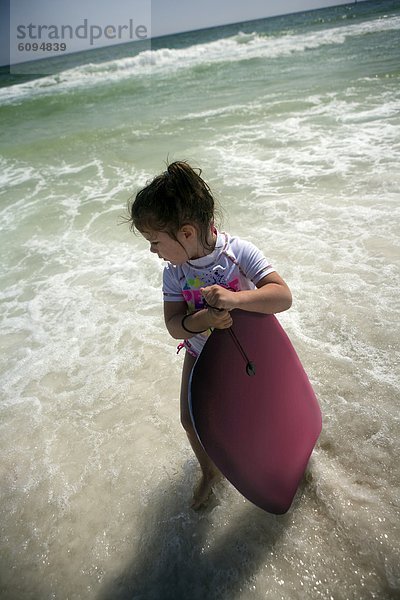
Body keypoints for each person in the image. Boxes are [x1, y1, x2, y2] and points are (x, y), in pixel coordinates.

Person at [128, 161, 292, 510]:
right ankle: (210, 472)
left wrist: (234, 299)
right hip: (200, 353)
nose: (152, 250)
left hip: (250, 352)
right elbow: (174, 324)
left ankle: (281, 458)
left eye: (156, 241)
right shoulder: (174, 274)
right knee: (190, 419)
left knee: (261, 411)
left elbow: (282, 296)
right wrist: (205, 319)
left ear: (186, 233)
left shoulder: (239, 253)